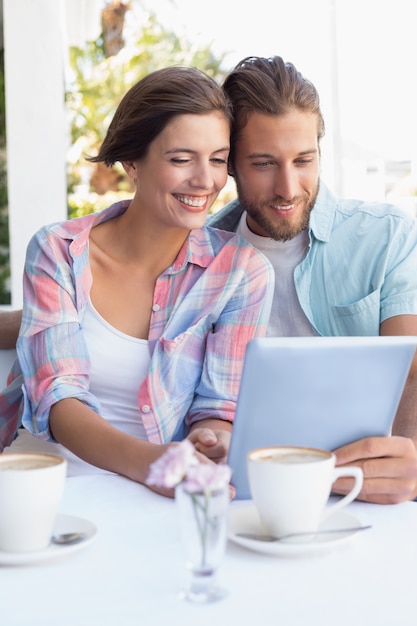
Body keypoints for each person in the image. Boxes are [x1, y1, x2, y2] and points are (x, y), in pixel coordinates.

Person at [0, 66, 274, 496]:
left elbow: (218, 406)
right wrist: (153, 464)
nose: (206, 180)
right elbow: (59, 399)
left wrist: (212, 438)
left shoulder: (241, 273)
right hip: (47, 489)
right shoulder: (58, 252)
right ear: (132, 161)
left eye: (218, 159)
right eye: (181, 159)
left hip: (156, 495)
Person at [208, 55, 417, 505]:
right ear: (229, 164)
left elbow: (413, 371)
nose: (288, 187)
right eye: (263, 164)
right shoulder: (200, 252)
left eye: (303, 160)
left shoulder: (384, 236)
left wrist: (411, 457)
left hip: (362, 488)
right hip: (244, 490)